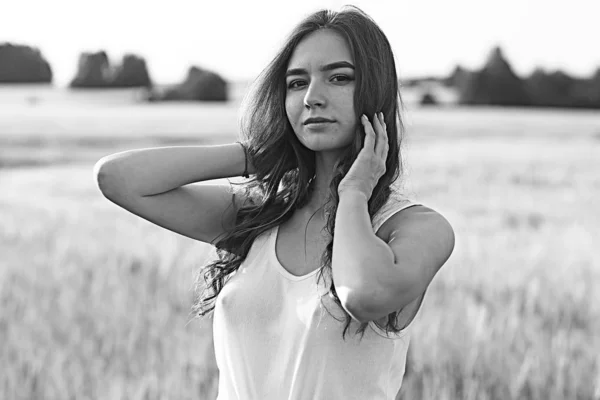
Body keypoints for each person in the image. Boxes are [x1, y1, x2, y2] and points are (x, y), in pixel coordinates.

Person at [94, 5, 455, 399]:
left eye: (339, 78)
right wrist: (258, 154)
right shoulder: (259, 214)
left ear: (375, 91)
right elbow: (118, 179)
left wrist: (353, 193)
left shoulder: (415, 228)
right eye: (297, 83)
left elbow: (365, 294)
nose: (312, 98)